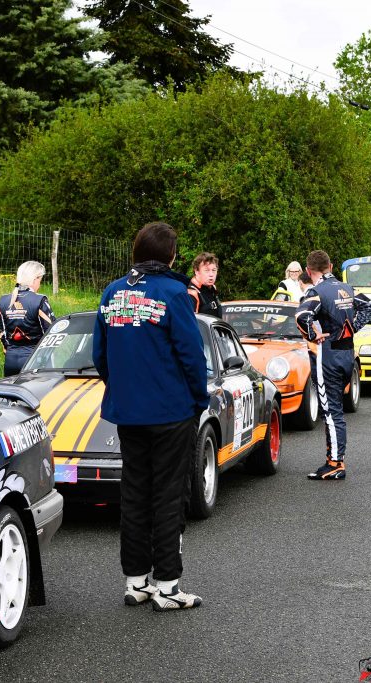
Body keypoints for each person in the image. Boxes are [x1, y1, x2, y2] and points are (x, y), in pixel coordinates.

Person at [93, 222, 210, 611]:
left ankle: (136, 581)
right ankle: (168, 586)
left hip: (128, 411)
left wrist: (122, 388)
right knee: (169, 495)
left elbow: (100, 355)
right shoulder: (175, 293)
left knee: (134, 493)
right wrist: (198, 399)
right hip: (171, 410)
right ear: (171, 255)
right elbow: (191, 356)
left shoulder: (112, 292)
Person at [295, 250, 371, 480]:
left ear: (308, 271)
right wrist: (352, 328)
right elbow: (369, 306)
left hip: (328, 356)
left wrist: (313, 335)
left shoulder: (316, 291)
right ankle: (334, 460)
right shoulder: (347, 288)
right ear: (330, 266)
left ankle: (336, 463)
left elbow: (301, 315)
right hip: (347, 355)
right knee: (335, 409)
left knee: (331, 412)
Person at [0, 261, 55, 376]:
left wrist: (10, 351)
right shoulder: (40, 300)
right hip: (35, 361)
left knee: (11, 388)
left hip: (11, 360)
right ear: (35, 279)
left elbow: (2, 334)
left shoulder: (3, 300)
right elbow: (51, 332)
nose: (40, 284)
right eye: (40, 280)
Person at [187, 252, 221, 318]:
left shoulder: (212, 288)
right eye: (206, 270)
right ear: (197, 271)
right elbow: (189, 321)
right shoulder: (192, 293)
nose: (211, 274)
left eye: (214, 270)